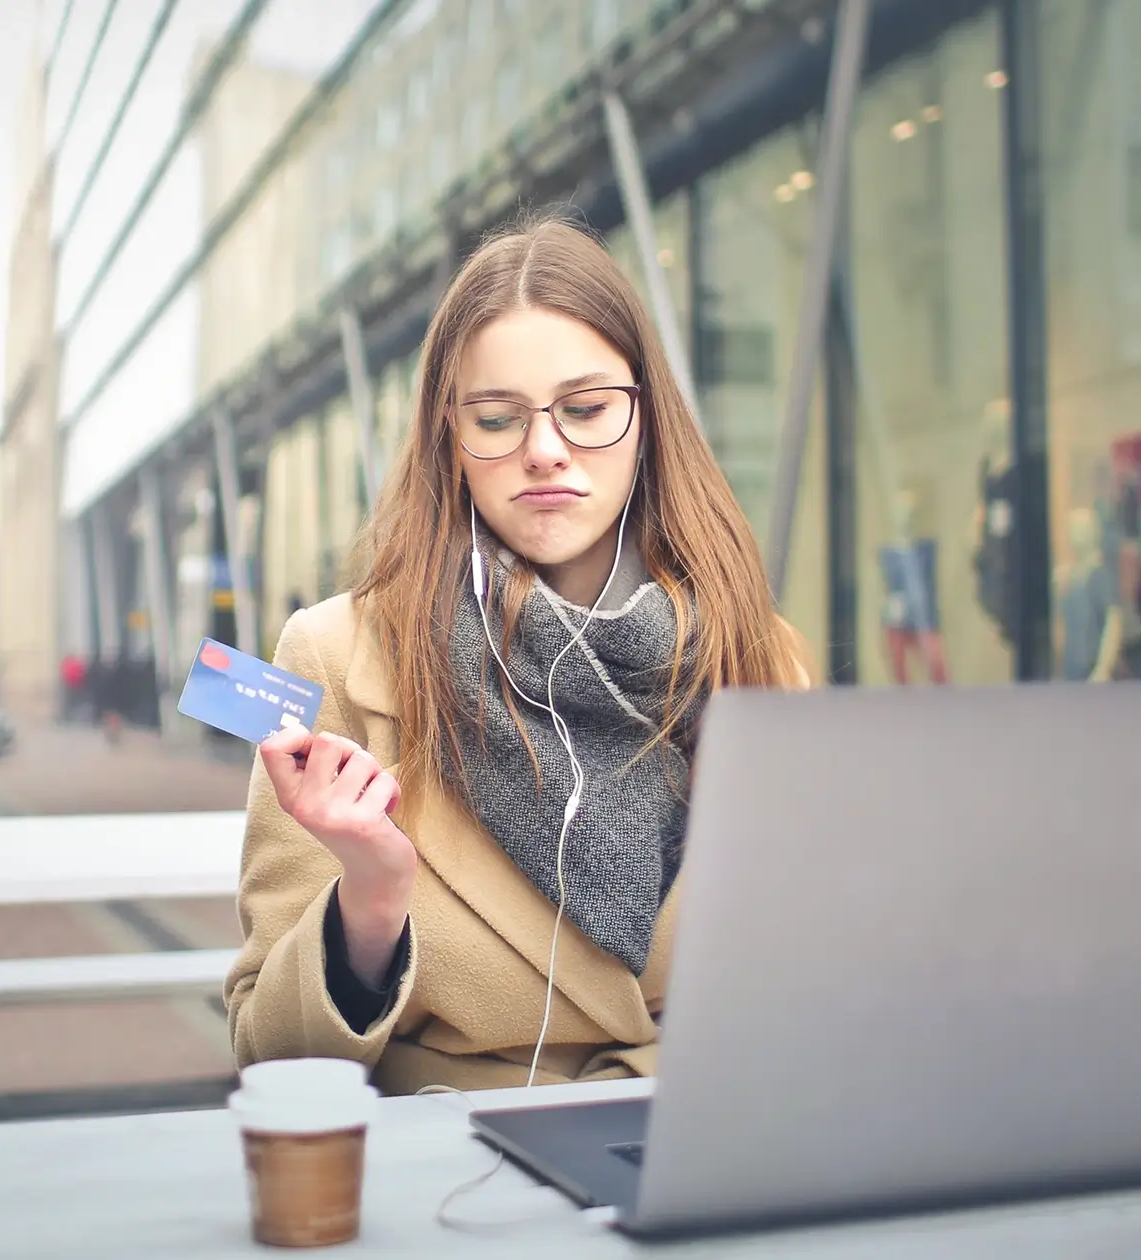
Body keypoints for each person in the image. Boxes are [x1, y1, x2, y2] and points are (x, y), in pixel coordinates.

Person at [225, 213, 811, 1095]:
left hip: (705, 1141)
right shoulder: (331, 654)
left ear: (646, 421)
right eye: (497, 418)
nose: (545, 451)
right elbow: (269, 1051)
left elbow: (811, 962)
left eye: (585, 410)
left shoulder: (759, 656)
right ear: (449, 441)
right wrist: (371, 903)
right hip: (459, 1179)